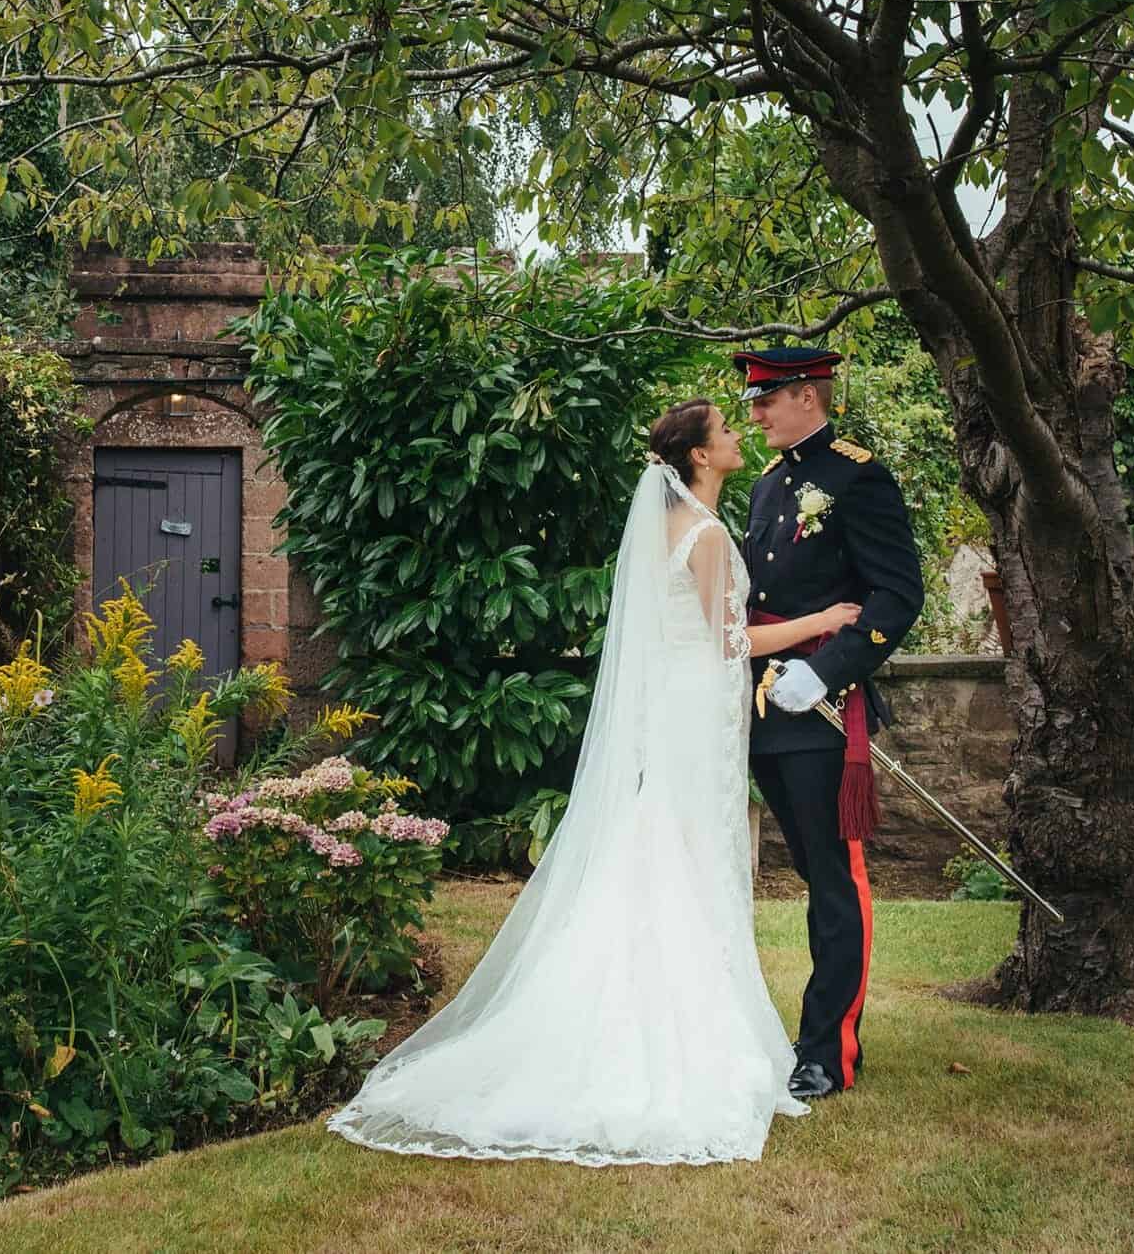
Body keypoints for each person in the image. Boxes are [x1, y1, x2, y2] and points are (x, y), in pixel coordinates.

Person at [325, 399, 859, 1167]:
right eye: (726, 431)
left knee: (666, 849)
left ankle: (649, 1005)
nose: (740, 435)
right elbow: (730, 640)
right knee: (689, 856)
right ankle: (672, 1032)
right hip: (696, 711)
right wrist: (823, 621)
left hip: (685, 710)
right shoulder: (704, 536)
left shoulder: (680, 528)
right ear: (701, 457)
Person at [735, 346, 925, 1101]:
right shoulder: (766, 486)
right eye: (751, 402)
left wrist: (828, 668)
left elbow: (896, 596)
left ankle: (828, 1046)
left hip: (819, 708)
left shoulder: (858, 476)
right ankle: (814, 1034)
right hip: (762, 706)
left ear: (807, 396)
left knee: (833, 881)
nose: (755, 414)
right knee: (811, 874)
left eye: (765, 400)